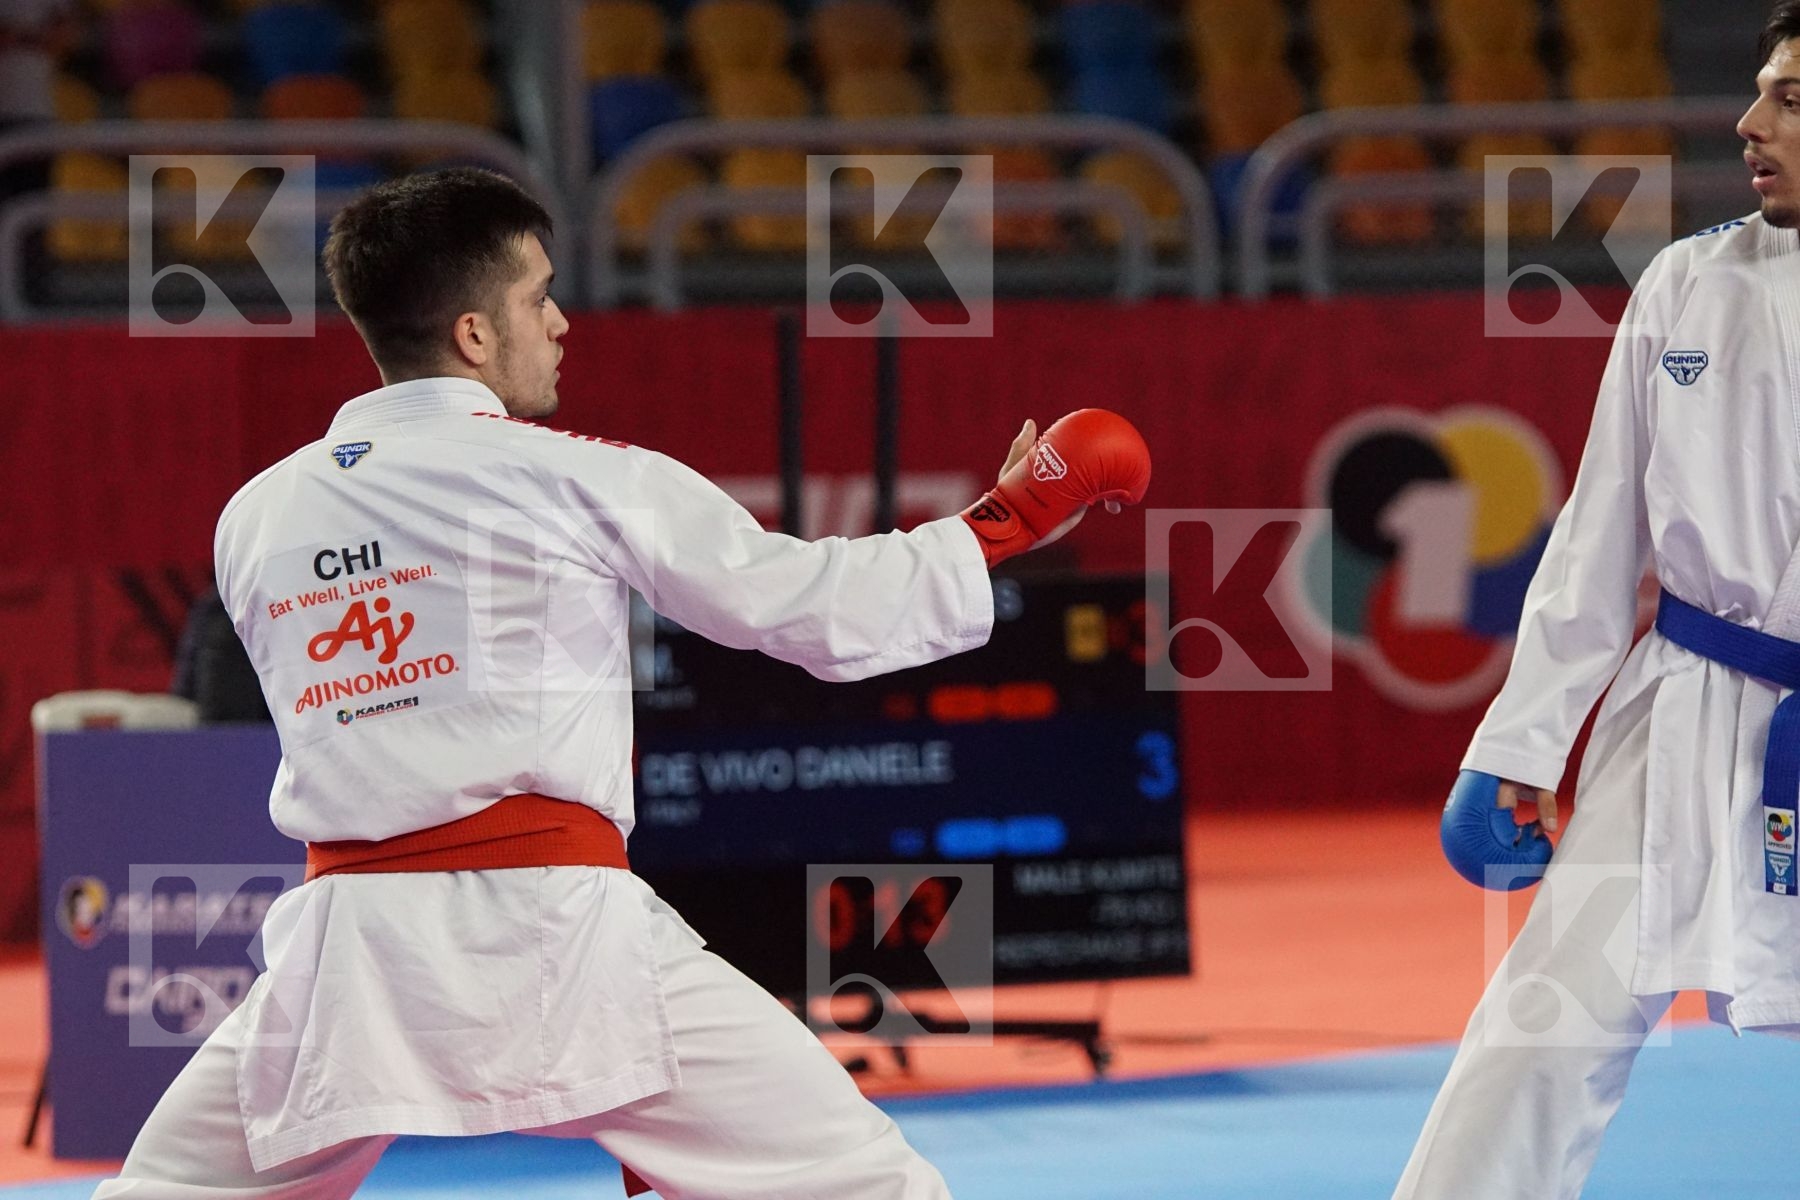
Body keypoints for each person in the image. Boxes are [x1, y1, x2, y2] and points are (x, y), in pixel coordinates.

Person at [93, 167, 1150, 1199]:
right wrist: (1009, 521)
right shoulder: (576, 477)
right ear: (472, 333)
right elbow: (807, 607)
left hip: (348, 961)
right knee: (865, 1184)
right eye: (538, 298)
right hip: (558, 935)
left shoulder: (255, 516)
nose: (560, 324)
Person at [1396, 5, 1800, 1196]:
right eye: (1764, 91)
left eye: (1791, 100)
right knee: (1539, 1031)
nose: (1749, 122)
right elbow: (1598, 533)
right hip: (1679, 708)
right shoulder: (1691, 281)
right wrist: (1520, 744)